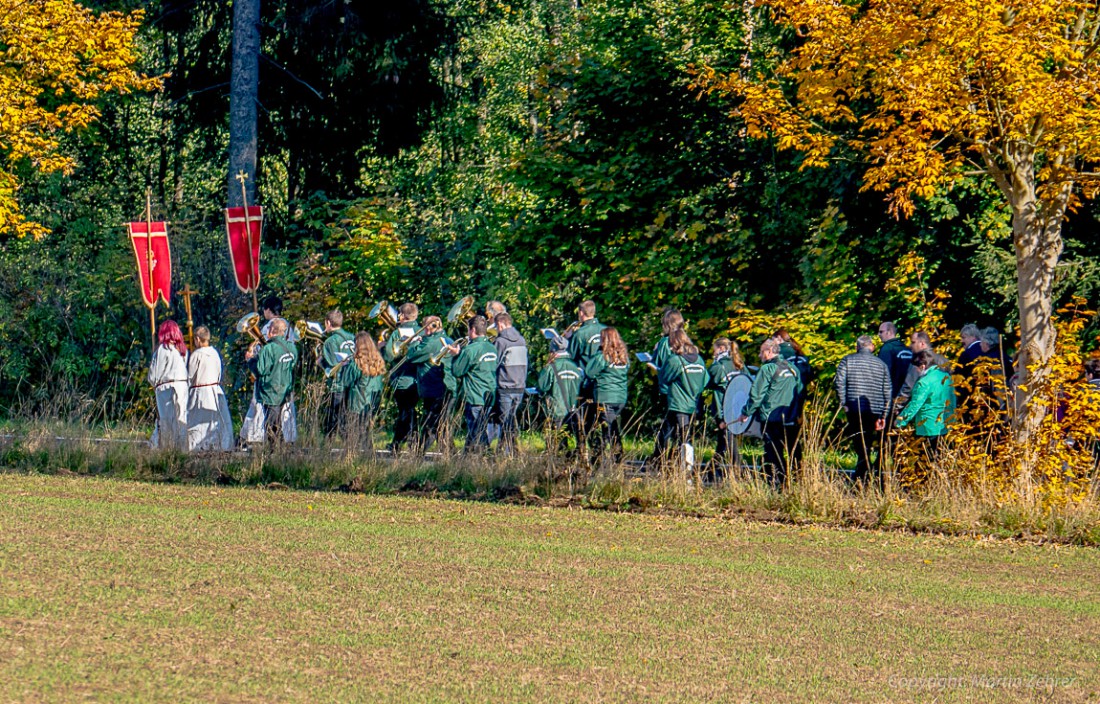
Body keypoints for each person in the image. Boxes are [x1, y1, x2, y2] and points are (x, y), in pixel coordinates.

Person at [740, 338, 803, 487]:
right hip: (790, 417)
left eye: (762, 352)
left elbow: (756, 395)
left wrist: (746, 412)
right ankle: (795, 481)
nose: (760, 356)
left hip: (771, 418)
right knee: (792, 450)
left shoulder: (767, 369)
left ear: (769, 352)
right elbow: (800, 392)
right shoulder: (793, 368)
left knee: (773, 451)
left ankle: (775, 483)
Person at [835, 335, 893, 485]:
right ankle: (868, 476)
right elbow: (888, 390)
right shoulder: (881, 364)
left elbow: (839, 383)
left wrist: (843, 403)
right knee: (867, 442)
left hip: (854, 408)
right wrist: (884, 414)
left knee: (860, 444)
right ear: (872, 347)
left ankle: (861, 478)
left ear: (857, 347)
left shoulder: (847, 360)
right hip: (875, 408)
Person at [652, 328, 710, 468]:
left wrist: (656, 368)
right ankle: (678, 464)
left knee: (674, 436)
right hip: (693, 403)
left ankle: (674, 465)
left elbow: (664, 378)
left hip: (677, 403)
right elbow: (705, 380)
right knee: (684, 435)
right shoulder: (699, 360)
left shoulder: (675, 360)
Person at [895, 349, 956, 466]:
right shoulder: (947, 377)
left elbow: (915, 405)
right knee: (943, 460)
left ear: (922, 366)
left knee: (928, 461)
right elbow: (953, 399)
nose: (916, 372)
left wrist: (900, 421)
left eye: (916, 369)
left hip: (928, 426)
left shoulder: (924, 382)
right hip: (947, 423)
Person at [405, 316, 456, 454]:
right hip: (450, 387)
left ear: (428, 327)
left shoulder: (429, 343)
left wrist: (414, 343)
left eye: (424, 326)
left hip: (433, 388)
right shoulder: (448, 340)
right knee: (442, 422)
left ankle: (418, 452)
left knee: (431, 422)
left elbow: (411, 356)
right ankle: (450, 453)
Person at [447, 315, 498, 453]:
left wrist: (456, 355)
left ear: (473, 329)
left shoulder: (470, 350)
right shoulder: (492, 348)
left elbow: (457, 371)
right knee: (477, 428)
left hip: (474, 395)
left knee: (477, 431)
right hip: (489, 395)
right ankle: (465, 458)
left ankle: (487, 456)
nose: (467, 333)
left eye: (468, 330)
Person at [246, 317, 298, 445]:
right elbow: (292, 364)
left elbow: (260, 371)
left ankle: (273, 452)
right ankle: (279, 448)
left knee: (271, 424)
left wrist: (250, 360)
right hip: (285, 389)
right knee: (278, 421)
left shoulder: (268, 349)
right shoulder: (292, 347)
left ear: (271, 330)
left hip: (270, 391)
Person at [584, 327, 631, 464]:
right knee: (614, 427)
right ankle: (617, 457)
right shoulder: (624, 357)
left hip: (605, 398)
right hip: (620, 398)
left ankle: (598, 458)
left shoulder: (602, 357)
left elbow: (589, 372)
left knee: (605, 430)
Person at [334, 332, 386, 450]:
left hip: (356, 402)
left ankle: (354, 456)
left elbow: (345, 381)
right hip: (372, 402)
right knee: (366, 432)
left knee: (351, 432)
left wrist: (344, 366)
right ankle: (367, 457)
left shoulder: (356, 363)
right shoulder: (378, 361)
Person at [186, 326, 233, 451]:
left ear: (197, 339)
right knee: (216, 420)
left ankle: (198, 447)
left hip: (200, 392)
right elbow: (219, 371)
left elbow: (190, 375)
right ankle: (218, 445)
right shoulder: (214, 353)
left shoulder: (197, 354)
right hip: (215, 390)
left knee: (198, 421)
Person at [566, 300, 607, 446]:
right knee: (602, 417)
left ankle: (585, 446)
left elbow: (571, 357)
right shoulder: (606, 330)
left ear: (581, 313)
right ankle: (602, 446)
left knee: (585, 417)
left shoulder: (579, 334)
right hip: (604, 381)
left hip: (586, 382)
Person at [488, 312, 528, 455]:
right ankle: (509, 451)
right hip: (520, 385)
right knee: (511, 419)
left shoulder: (501, 341)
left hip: (505, 386)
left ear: (500, 324)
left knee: (505, 422)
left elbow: (494, 363)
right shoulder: (521, 340)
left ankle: (507, 452)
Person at [384, 302, 421, 454]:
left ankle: (401, 443)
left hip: (401, 379)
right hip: (418, 378)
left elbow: (388, 355)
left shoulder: (397, 333)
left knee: (405, 412)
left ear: (402, 316)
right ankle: (409, 441)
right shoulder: (421, 331)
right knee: (410, 410)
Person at [537, 336, 583, 456]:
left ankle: (558, 468)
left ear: (552, 351)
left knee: (557, 447)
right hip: (574, 411)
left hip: (557, 411)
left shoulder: (551, 368)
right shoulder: (576, 368)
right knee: (578, 444)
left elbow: (542, 387)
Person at [148, 320, 189, 450]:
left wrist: (154, 383)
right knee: (181, 418)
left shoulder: (163, 349)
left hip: (166, 388)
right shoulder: (182, 350)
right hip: (182, 386)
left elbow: (155, 374)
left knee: (167, 420)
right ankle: (183, 448)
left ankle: (168, 449)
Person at [709, 338, 746, 470]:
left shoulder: (718, 367)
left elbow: (709, 385)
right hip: (738, 407)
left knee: (728, 438)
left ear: (721, 349)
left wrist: (719, 416)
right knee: (724, 439)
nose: (713, 352)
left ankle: (738, 469)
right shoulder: (739, 364)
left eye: (715, 349)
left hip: (724, 409)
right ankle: (713, 468)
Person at [320, 309, 355, 436]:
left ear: (328, 323)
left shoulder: (330, 341)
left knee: (334, 416)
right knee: (346, 414)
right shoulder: (352, 337)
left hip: (338, 383)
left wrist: (321, 362)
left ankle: (328, 446)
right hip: (352, 382)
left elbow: (333, 366)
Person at [897, 331, 949, 405]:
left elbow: (908, 387)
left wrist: (897, 405)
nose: (910, 345)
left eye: (913, 342)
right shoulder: (943, 360)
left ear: (922, 344)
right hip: (942, 405)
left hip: (922, 407)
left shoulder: (919, 361)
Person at [877, 321, 913, 400]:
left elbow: (883, 374)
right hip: (909, 394)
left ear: (889, 332)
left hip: (893, 396)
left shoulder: (886, 349)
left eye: (881, 332)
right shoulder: (906, 349)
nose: (879, 335)